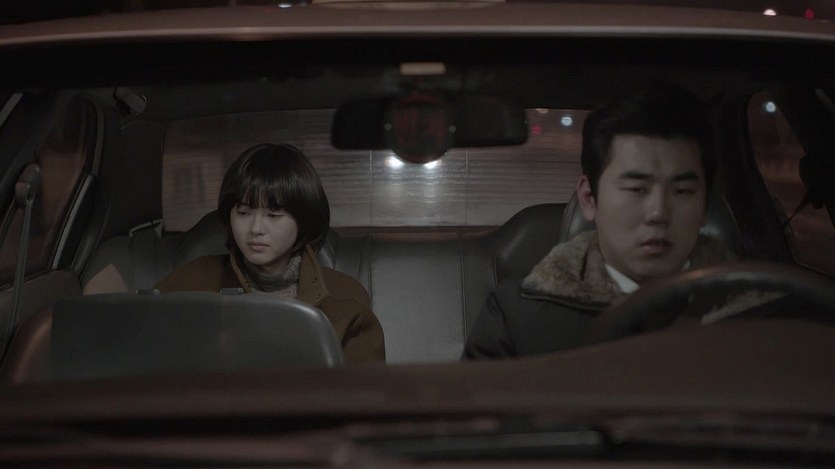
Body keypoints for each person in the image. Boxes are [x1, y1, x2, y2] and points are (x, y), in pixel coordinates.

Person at [464, 83, 746, 359]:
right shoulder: (519, 318)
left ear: (704, 205)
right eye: (636, 189)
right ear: (589, 198)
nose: (659, 213)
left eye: (682, 191)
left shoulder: (758, 309)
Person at [155, 143, 385, 363]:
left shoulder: (344, 298)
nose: (256, 229)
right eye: (243, 213)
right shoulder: (189, 283)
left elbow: (363, 386)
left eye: (273, 215)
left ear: (303, 220)